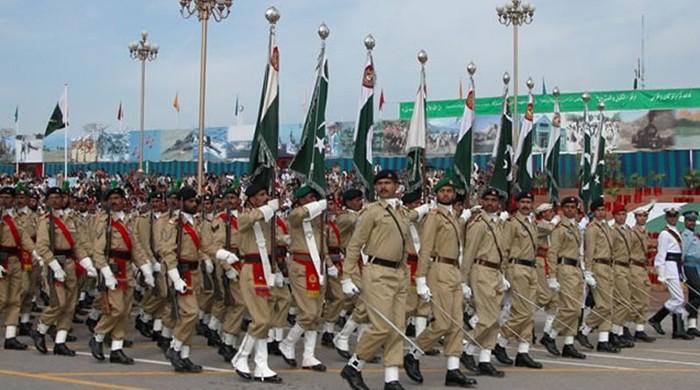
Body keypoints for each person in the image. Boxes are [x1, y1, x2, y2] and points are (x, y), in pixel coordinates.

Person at [339, 169, 414, 390]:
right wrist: (347, 276)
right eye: (380, 183)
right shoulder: (371, 212)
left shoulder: (401, 212)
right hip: (378, 272)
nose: (383, 187)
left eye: (387, 183)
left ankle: (391, 379)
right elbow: (354, 245)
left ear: (396, 186)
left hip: (399, 272)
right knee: (382, 326)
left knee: (397, 327)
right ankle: (354, 366)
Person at [403, 177, 477, 388]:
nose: (446, 194)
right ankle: (413, 353)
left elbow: (460, 250)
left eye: (449, 190)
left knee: (456, 324)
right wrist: (421, 278)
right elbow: (425, 249)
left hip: (453, 270)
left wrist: (462, 279)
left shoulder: (454, 216)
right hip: (438, 269)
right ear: (436, 194)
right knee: (443, 323)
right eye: (442, 191)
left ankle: (453, 369)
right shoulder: (433, 217)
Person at [89, 187, 153, 364]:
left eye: (118, 198)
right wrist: (106, 273)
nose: (115, 201)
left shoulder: (128, 221)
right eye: (112, 198)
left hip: (127, 269)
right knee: (115, 308)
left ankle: (117, 348)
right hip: (112, 268)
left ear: (124, 200)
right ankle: (98, 336)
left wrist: (145, 268)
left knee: (124, 312)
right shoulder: (103, 221)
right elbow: (98, 250)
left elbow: (135, 247)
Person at [32, 187, 95, 356]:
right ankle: (40, 330)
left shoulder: (70, 220)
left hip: (70, 264)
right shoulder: (45, 221)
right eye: (51, 197)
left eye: (58, 198)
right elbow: (42, 247)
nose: (55, 200)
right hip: (55, 264)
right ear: (46, 201)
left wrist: (87, 263)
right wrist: (54, 266)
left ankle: (61, 341)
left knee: (70, 304)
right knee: (58, 303)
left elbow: (77, 244)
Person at [230, 181, 283, 383]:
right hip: (252, 269)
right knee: (261, 320)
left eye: (266, 195)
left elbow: (274, 241)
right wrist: (269, 208)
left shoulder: (266, 219)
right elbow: (251, 219)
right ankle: (241, 357)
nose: (265, 198)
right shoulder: (244, 216)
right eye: (261, 195)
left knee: (265, 318)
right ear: (252, 199)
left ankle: (262, 365)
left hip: (266, 269)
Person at [278, 185, 330, 371]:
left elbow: (322, 245)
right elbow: (298, 215)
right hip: (301, 266)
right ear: (299, 200)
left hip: (317, 267)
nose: (311, 200)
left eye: (313, 197)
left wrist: (330, 266)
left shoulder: (317, 220)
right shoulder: (295, 216)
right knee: (308, 312)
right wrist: (318, 204)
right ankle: (287, 342)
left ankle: (309, 355)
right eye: (307, 198)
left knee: (315, 314)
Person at [461, 187, 509, 377]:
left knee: (494, 320)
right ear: (481, 200)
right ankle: (467, 349)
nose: (490, 203)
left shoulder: (498, 224)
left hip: (495, 272)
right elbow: (469, 253)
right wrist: (464, 280)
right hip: (481, 271)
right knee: (487, 318)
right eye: (487, 199)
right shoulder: (479, 224)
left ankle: (485, 359)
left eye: (494, 200)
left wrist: (503, 275)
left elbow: (501, 252)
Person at [160, 187, 207, 372]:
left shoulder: (196, 223)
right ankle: (174, 348)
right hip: (182, 273)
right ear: (180, 202)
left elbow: (201, 247)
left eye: (195, 201)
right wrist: (175, 277)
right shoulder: (174, 224)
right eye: (190, 201)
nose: (194, 204)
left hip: (195, 274)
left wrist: (212, 257)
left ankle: (185, 356)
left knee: (189, 318)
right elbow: (167, 251)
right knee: (191, 313)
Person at [497, 191, 543, 368]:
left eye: (528, 202)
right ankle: (500, 342)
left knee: (529, 312)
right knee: (521, 311)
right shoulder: (512, 223)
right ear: (518, 204)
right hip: (517, 268)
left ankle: (524, 351)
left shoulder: (531, 223)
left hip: (531, 269)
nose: (526, 205)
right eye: (522, 202)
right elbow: (504, 249)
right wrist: (503, 272)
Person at [542, 196, 586, 359]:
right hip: (565, 269)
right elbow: (552, 253)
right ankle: (550, 335)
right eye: (567, 207)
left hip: (575, 269)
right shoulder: (560, 228)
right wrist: (552, 276)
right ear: (562, 209)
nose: (570, 210)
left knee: (576, 308)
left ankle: (569, 343)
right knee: (570, 308)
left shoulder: (575, 227)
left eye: (573, 207)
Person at [578, 198, 619, 353]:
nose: (602, 212)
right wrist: (588, 272)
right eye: (599, 210)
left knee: (609, 305)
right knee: (603, 305)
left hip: (608, 266)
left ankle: (603, 340)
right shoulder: (592, 228)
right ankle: (584, 330)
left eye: (604, 209)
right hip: (598, 266)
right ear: (594, 212)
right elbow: (589, 251)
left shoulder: (606, 227)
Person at [0, 186, 37, 350]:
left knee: (15, 298)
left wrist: (36, 253)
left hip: (15, 260)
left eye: (7, 197)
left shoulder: (17, 217)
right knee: (1, 299)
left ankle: (10, 336)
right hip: (2, 260)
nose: (4, 200)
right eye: (2, 197)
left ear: (13, 200)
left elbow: (24, 238)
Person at [648, 207, 694, 340]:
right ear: (666, 217)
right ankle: (656, 319)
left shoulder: (674, 232)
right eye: (670, 216)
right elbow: (661, 254)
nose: (672, 218)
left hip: (676, 266)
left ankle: (678, 330)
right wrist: (661, 272)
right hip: (669, 267)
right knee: (679, 298)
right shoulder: (664, 233)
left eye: (674, 216)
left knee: (678, 298)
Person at [609, 203, 635, 349]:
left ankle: (618, 333)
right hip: (617, 267)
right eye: (619, 214)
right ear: (614, 216)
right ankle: (613, 333)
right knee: (623, 302)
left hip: (627, 267)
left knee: (624, 302)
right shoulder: (612, 231)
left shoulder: (627, 230)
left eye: (624, 214)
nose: (622, 217)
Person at [628, 206, 655, 342]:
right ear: (635, 218)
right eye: (639, 216)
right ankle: (620, 327)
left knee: (644, 299)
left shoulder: (645, 232)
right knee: (637, 299)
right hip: (634, 267)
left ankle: (640, 330)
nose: (642, 218)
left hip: (642, 267)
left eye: (645, 216)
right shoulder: (632, 233)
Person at [681, 210, 700, 337]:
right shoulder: (686, 235)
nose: (692, 222)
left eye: (693, 221)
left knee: (694, 296)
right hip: (689, 267)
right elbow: (682, 253)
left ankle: (692, 326)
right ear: (685, 221)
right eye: (689, 220)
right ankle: (681, 314)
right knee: (698, 295)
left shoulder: (693, 235)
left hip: (697, 267)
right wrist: (681, 270)